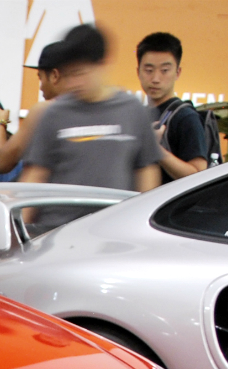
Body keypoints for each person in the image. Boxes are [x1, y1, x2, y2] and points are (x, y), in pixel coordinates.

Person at [20, 24, 161, 231]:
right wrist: (20, 230)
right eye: (68, 74)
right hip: (57, 231)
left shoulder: (132, 111)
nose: (73, 83)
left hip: (113, 231)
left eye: (80, 73)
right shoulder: (54, 114)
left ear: (102, 64)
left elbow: (146, 170)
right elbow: (36, 174)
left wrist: (143, 224)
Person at [0, 41, 68, 181]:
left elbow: (1, 163)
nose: (41, 87)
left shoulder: (44, 112)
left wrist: (0, 123)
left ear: (54, 76)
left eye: (41, 78)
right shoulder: (98, 110)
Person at [138, 32, 208, 183]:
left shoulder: (186, 117)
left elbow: (199, 176)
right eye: (149, 70)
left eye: (164, 70)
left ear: (177, 73)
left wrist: (156, 149)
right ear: (138, 72)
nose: (155, 79)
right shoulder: (137, 115)